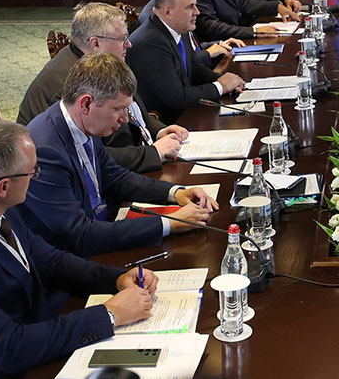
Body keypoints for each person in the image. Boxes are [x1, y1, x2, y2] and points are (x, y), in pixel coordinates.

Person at [0, 119, 156, 377]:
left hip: (35, 336)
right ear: (3, 187)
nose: (36, 177)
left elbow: (50, 261)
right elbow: (9, 348)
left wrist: (116, 278)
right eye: (32, 172)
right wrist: (110, 315)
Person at [22, 52, 219, 257]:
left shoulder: (82, 123)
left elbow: (116, 177)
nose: (125, 119)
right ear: (86, 104)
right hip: (68, 258)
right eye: (119, 109)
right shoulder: (45, 151)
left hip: (97, 234)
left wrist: (176, 193)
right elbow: (79, 235)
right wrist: (169, 223)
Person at [17, 2, 187, 173]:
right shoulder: (72, 83)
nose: (129, 44)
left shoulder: (101, 63)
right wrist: (153, 153)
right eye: (122, 39)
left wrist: (158, 130)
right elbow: (93, 156)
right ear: (96, 43)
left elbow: (129, 108)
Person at [127, 0, 246, 124]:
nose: (197, 12)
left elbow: (194, 68)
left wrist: (226, 82)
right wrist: (221, 86)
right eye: (190, 7)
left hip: (186, 112)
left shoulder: (179, 28)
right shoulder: (151, 42)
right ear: (168, 12)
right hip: (167, 122)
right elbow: (177, 98)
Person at [138, 0, 242, 71]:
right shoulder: (154, 18)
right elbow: (178, 60)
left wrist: (219, 44)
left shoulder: (179, 11)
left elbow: (190, 47)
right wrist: (207, 53)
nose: (197, 12)